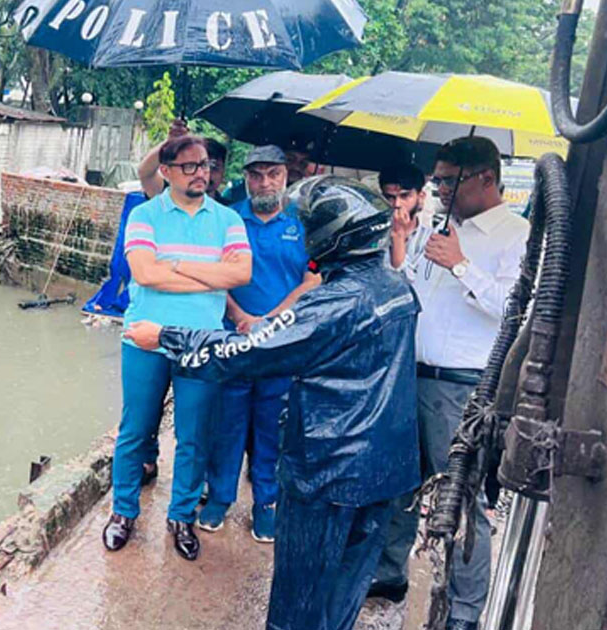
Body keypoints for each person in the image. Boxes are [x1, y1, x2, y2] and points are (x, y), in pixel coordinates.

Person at [123, 175, 420, 630]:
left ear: (331, 236)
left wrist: (164, 336)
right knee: (344, 591)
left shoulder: (335, 305)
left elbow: (246, 352)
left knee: (298, 601)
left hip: (328, 471)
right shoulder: (396, 287)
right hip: (384, 472)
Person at [368, 137, 531, 630]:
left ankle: (463, 613)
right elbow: (412, 288)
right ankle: (390, 573)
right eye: (436, 179)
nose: (437, 188)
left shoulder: (516, 234)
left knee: (459, 505)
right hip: (411, 375)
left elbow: (514, 311)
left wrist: (460, 264)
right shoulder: (439, 227)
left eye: (446, 179)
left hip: (462, 388)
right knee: (397, 486)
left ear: (484, 177)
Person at [103, 134, 252, 561]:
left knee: (193, 436)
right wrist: (210, 274)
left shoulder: (226, 220)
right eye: (189, 166)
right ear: (166, 171)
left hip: (202, 344)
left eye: (204, 165)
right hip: (145, 336)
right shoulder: (145, 215)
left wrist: (179, 265)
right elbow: (145, 274)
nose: (201, 173)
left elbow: (241, 273)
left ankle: (182, 515)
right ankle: (123, 512)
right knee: (135, 431)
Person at [196, 145, 321, 542]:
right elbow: (214, 273)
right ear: (245, 177)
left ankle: (265, 504)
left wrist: (270, 320)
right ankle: (219, 497)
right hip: (234, 338)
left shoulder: (303, 222)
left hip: (282, 343)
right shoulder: (230, 219)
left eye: (273, 174)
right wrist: (239, 317)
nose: (264, 182)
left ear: (286, 176)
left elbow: (312, 280)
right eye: (256, 174)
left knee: (272, 428)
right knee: (227, 422)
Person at [137, 119, 231, 203]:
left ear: (223, 171)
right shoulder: (166, 196)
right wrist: (169, 143)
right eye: (193, 166)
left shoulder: (228, 212)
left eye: (214, 167)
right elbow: (145, 173)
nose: (204, 173)